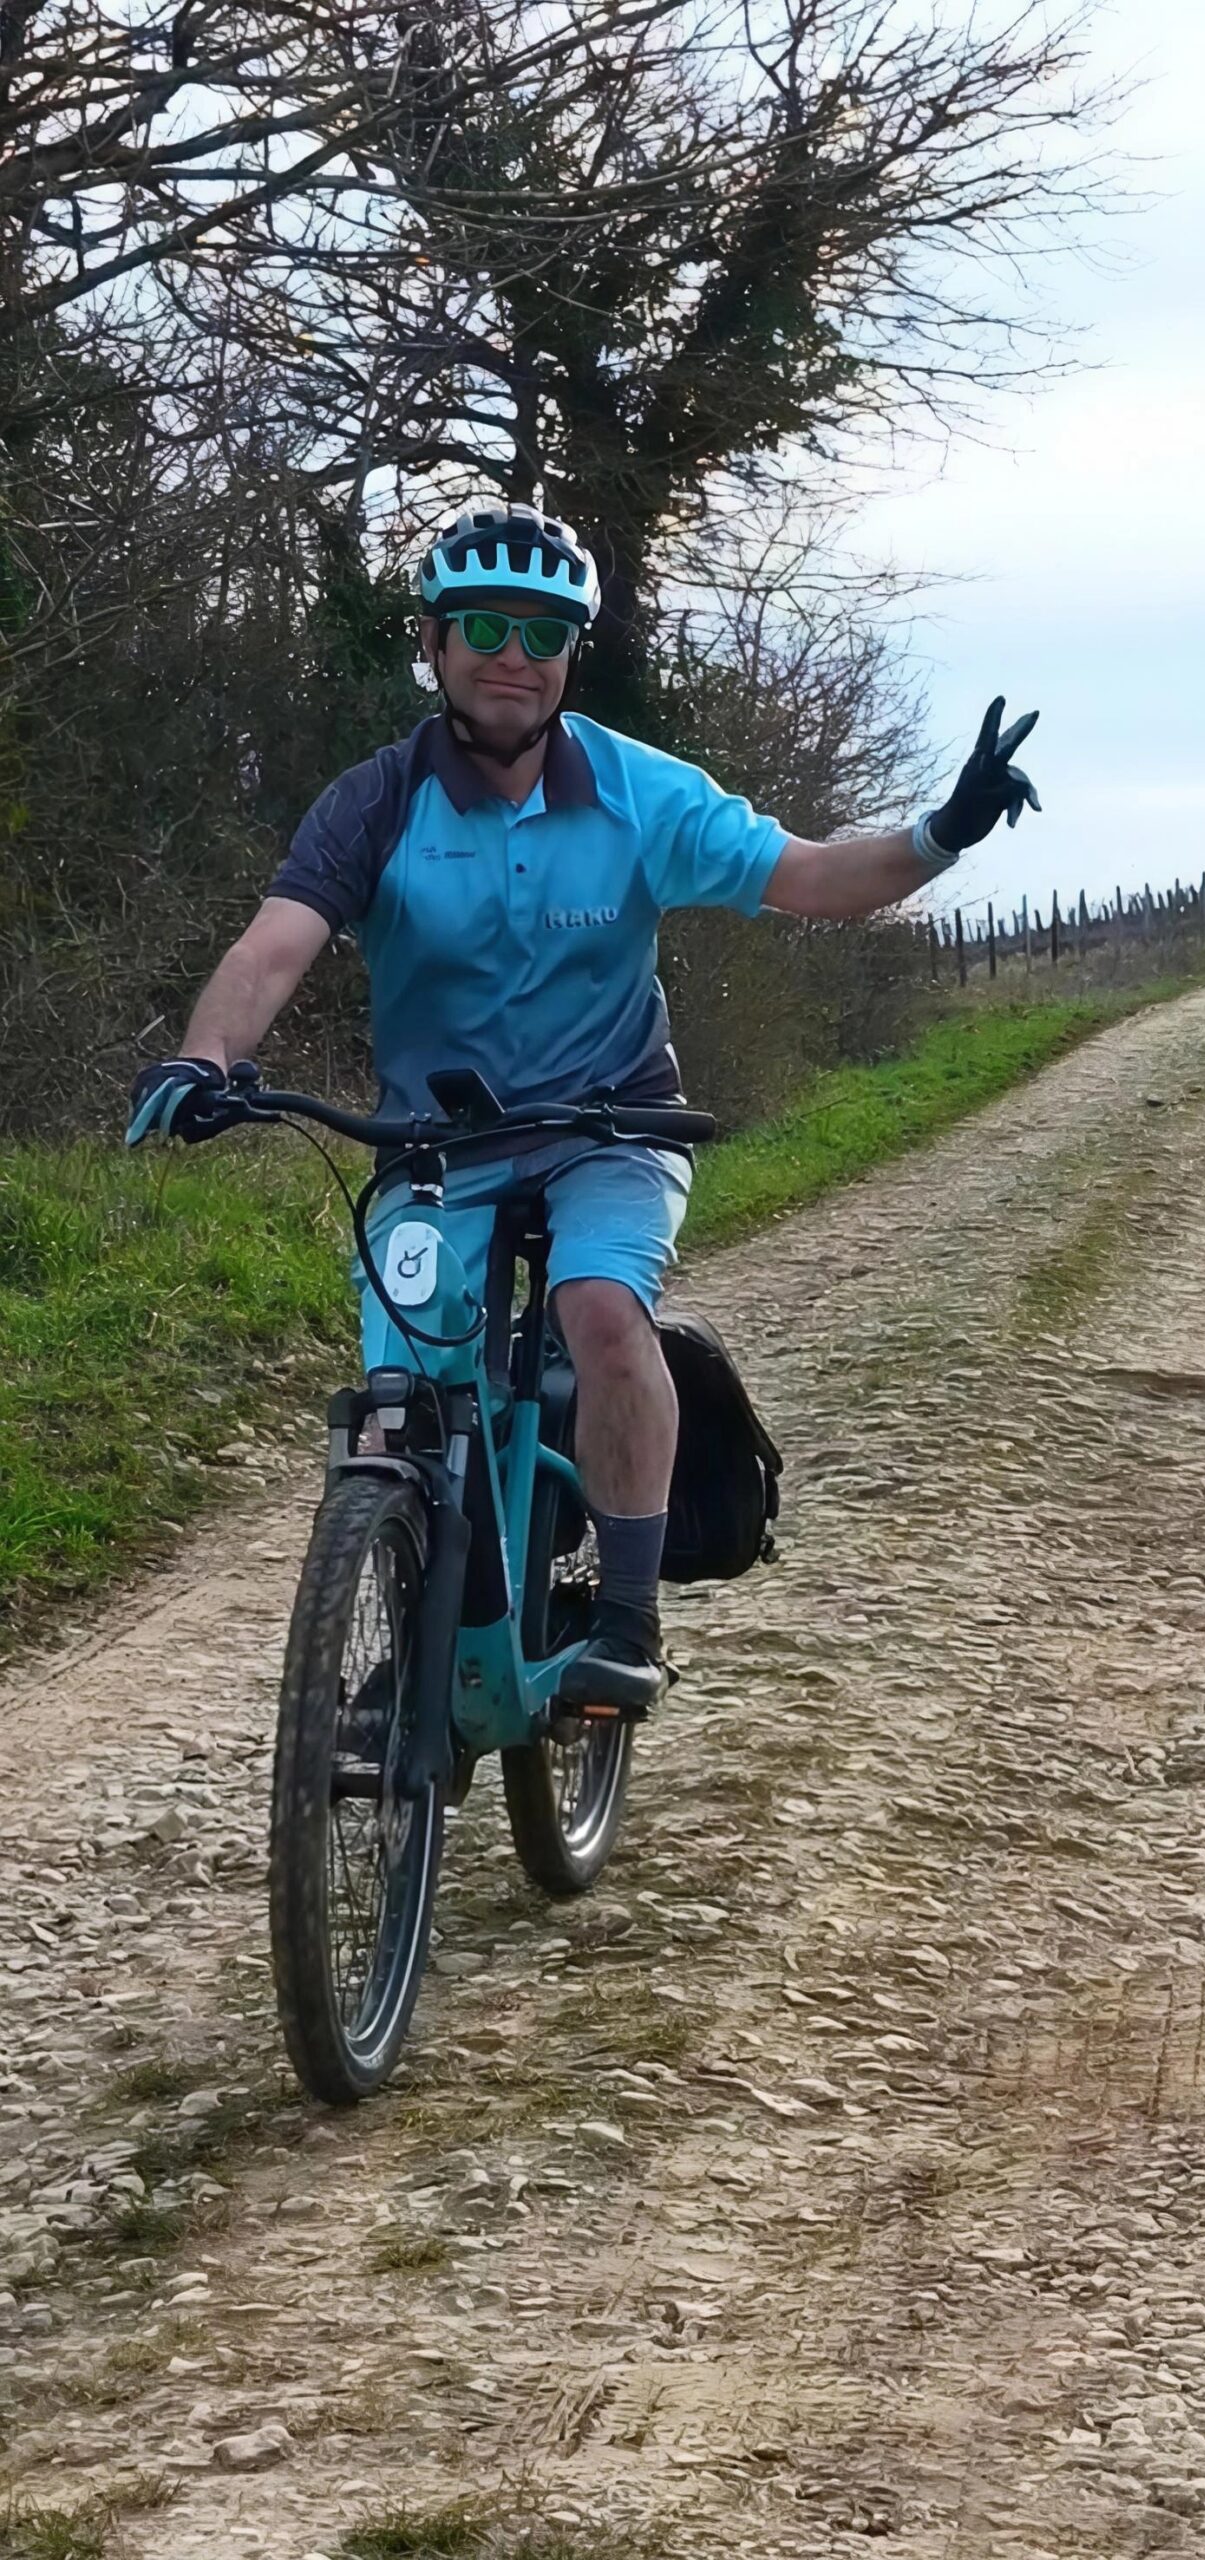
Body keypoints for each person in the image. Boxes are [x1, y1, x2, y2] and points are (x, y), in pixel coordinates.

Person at [127, 501, 1040, 1712]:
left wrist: (943, 833)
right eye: (488, 626)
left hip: (612, 1129)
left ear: (572, 654)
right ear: (435, 643)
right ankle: (414, 1607)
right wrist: (202, 1060)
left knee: (605, 1313)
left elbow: (811, 878)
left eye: (544, 632)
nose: (515, 653)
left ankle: (623, 1617)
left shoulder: (634, 790)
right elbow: (273, 949)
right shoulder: (377, 801)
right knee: (406, 1402)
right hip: (437, 1144)